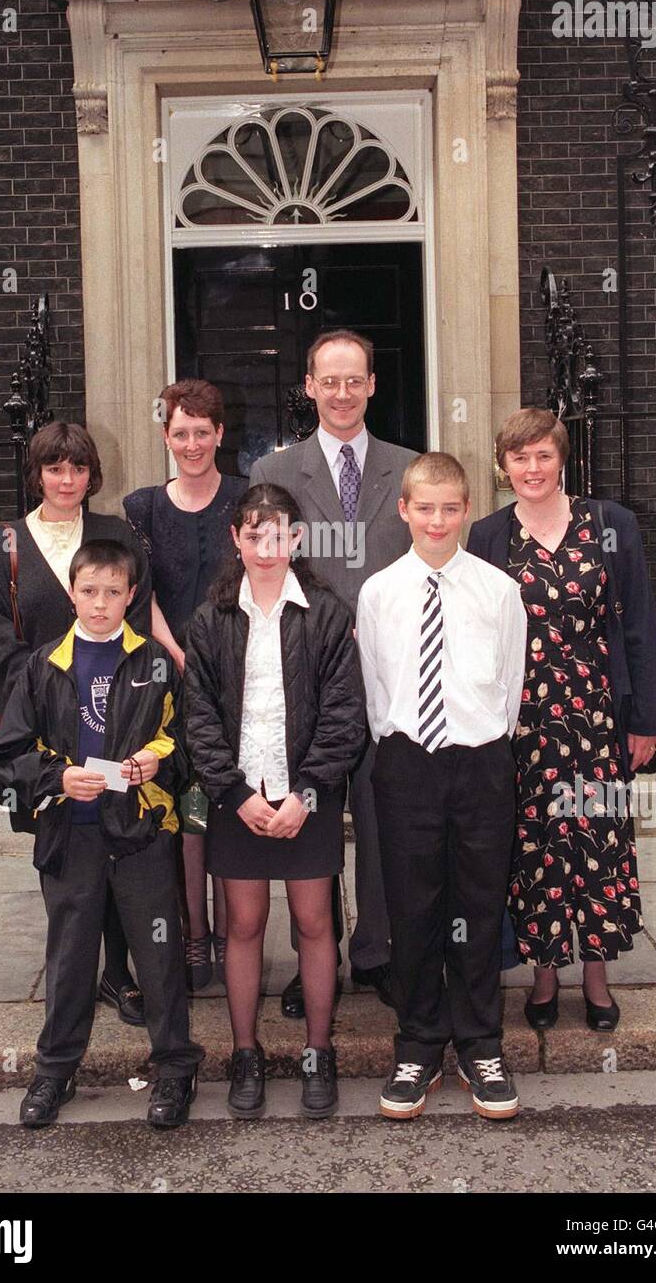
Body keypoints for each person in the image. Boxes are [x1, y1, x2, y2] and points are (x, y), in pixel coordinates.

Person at [467, 408, 656, 1031]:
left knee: (601, 841)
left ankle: (599, 978)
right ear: (503, 466)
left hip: (598, 717)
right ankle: (545, 975)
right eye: (519, 457)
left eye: (543, 455)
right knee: (535, 848)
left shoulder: (611, 525)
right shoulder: (487, 536)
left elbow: (638, 623)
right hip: (524, 723)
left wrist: (647, 721)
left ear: (563, 460)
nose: (532, 468)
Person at [0, 539, 203, 1130]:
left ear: (132, 596)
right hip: (70, 835)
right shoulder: (43, 666)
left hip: (141, 834)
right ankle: (54, 1071)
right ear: (71, 593)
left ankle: (174, 1070)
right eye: (89, 591)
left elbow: (188, 740)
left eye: (114, 592)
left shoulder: (156, 663)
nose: (101, 604)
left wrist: (158, 761)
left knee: (159, 957)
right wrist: (59, 776)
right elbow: (10, 752)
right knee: (69, 957)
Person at [183, 484, 366, 1119]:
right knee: (245, 926)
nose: (267, 546)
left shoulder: (329, 615)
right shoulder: (211, 622)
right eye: (254, 533)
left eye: (280, 533)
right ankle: (245, 1053)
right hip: (241, 802)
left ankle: (318, 1051)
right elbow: (198, 717)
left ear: (297, 540)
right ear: (235, 538)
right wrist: (233, 793)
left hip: (304, 800)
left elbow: (345, 716)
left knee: (316, 924)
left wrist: (309, 793)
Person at [249, 328, 417, 1019]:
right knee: (311, 818)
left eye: (355, 380)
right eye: (330, 380)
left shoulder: (410, 469)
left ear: (372, 385)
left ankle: (377, 949)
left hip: (385, 677)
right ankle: (314, 955)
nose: (343, 393)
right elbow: (270, 564)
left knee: (382, 817)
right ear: (310, 387)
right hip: (307, 677)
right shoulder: (277, 473)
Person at [357, 453, 527, 1121]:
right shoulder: (378, 593)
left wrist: (480, 735)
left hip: (482, 762)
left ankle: (482, 1044)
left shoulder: (497, 590)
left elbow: (510, 685)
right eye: (423, 508)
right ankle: (420, 1042)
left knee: (480, 908)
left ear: (467, 511)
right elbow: (376, 688)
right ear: (403, 510)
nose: (436, 520)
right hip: (407, 763)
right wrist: (405, 742)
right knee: (414, 908)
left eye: (450, 508)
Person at [0, 421, 153, 1028]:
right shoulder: (5, 545)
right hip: (47, 723)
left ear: (91, 473)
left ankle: (120, 974)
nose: (67, 479)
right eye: (54, 468)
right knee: (70, 850)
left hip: (116, 713)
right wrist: (52, 687)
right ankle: (73, 973)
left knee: (121, 839)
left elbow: (139, 623)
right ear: (38, 473)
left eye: (77, 468)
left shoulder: (115, 534)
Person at [124, 380, 246, 992]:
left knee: (224, 805)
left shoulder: (248, 501)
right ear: (166, 436)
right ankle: (193, 938)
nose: (192, 443)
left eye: (203, 431)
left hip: (237, 680)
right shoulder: (141, 508)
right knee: (181, 814)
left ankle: (231, 937)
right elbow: (136, 593)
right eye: (181, 433)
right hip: (164, 680)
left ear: (220, 434)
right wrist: (178, 652)